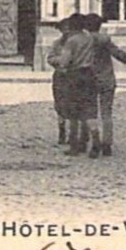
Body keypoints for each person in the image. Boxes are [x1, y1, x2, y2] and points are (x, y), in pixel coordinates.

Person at [85, 13, 126, 158]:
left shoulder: (82, 41)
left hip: (88, 79)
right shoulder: (105, 39)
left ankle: (95, 139)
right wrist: (125, 57)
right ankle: (107, 144)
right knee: (106, 112)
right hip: (107, 79)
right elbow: (119, 55)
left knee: (90, 112)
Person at [55, 13, 99, 156]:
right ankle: (95, 141)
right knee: (90, 111)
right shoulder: (89, 38)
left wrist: (61, 67)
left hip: (74, 75)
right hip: (90, 75)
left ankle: (75, 146)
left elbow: (64, 61)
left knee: (73, 113)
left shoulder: (72, 41)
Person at [46, 15, 76, 146]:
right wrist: (60, 61)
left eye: (69, 29)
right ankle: (62, 131)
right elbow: (50, 58)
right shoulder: (57, 43)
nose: (66, 32)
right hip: (60, 76)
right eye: (64, 29)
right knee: (60, 105)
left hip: (74, 76)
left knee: (74, 104)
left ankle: (73, 134)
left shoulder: (77, 43)